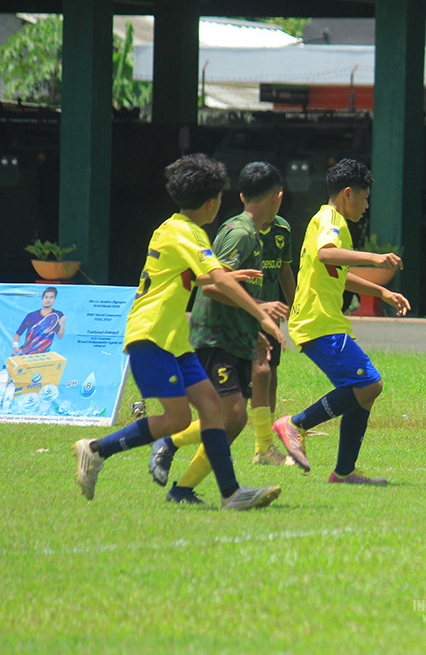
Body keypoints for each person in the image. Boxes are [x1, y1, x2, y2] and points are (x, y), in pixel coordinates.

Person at [72, 153, 284, 510]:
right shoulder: (190, 233)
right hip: (152, 337)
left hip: (174, 341)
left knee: (211, 409)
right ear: (213, 201)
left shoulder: (170, 227)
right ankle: (95, 450)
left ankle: (231, 493)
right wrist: (259, 312)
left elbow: (185, 275)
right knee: (177, 419)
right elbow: (214, 279)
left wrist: (229, 277)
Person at [146, 161, 294, 504]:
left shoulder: (259, 231)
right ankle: (172, 448)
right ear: (278, 197)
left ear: (242, 195)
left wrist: (251, 327)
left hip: (234, 333)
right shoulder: (241, 233)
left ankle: (183, 487)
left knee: (231, 419)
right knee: (231, 416)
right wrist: (260, 310)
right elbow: (212, 287)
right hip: (215, 336)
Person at [272, 158, 410, 484]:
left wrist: (381, 291)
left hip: (322, 320)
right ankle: (295, 424)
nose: (366, 205)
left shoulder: (329, 221)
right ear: (348, 194)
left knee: (361, 390)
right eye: (365, 198)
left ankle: (344, 472)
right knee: (370, 384)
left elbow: (339, 274)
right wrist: (375, 257)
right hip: (318, 322)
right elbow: (327, 254)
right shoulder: (331, 219)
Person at [250, 211, 298, 465]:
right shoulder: (241, 232)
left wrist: (296, 307)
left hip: (271, 316)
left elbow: (285, 270)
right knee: (239, 388)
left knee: (269, 375)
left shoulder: (283, 230)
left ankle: (263, 448)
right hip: (244, 312)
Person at [12, 287, 65, 355]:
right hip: (27, 354)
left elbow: (60, 336)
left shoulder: (58, 315)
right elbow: (18, 334)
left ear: (54, 299)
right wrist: (15, 347)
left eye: (51, 297)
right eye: (46, 297)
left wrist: (62, 324)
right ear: (42, 299)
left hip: (44, 356)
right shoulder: (31, 316)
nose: (48, 300)